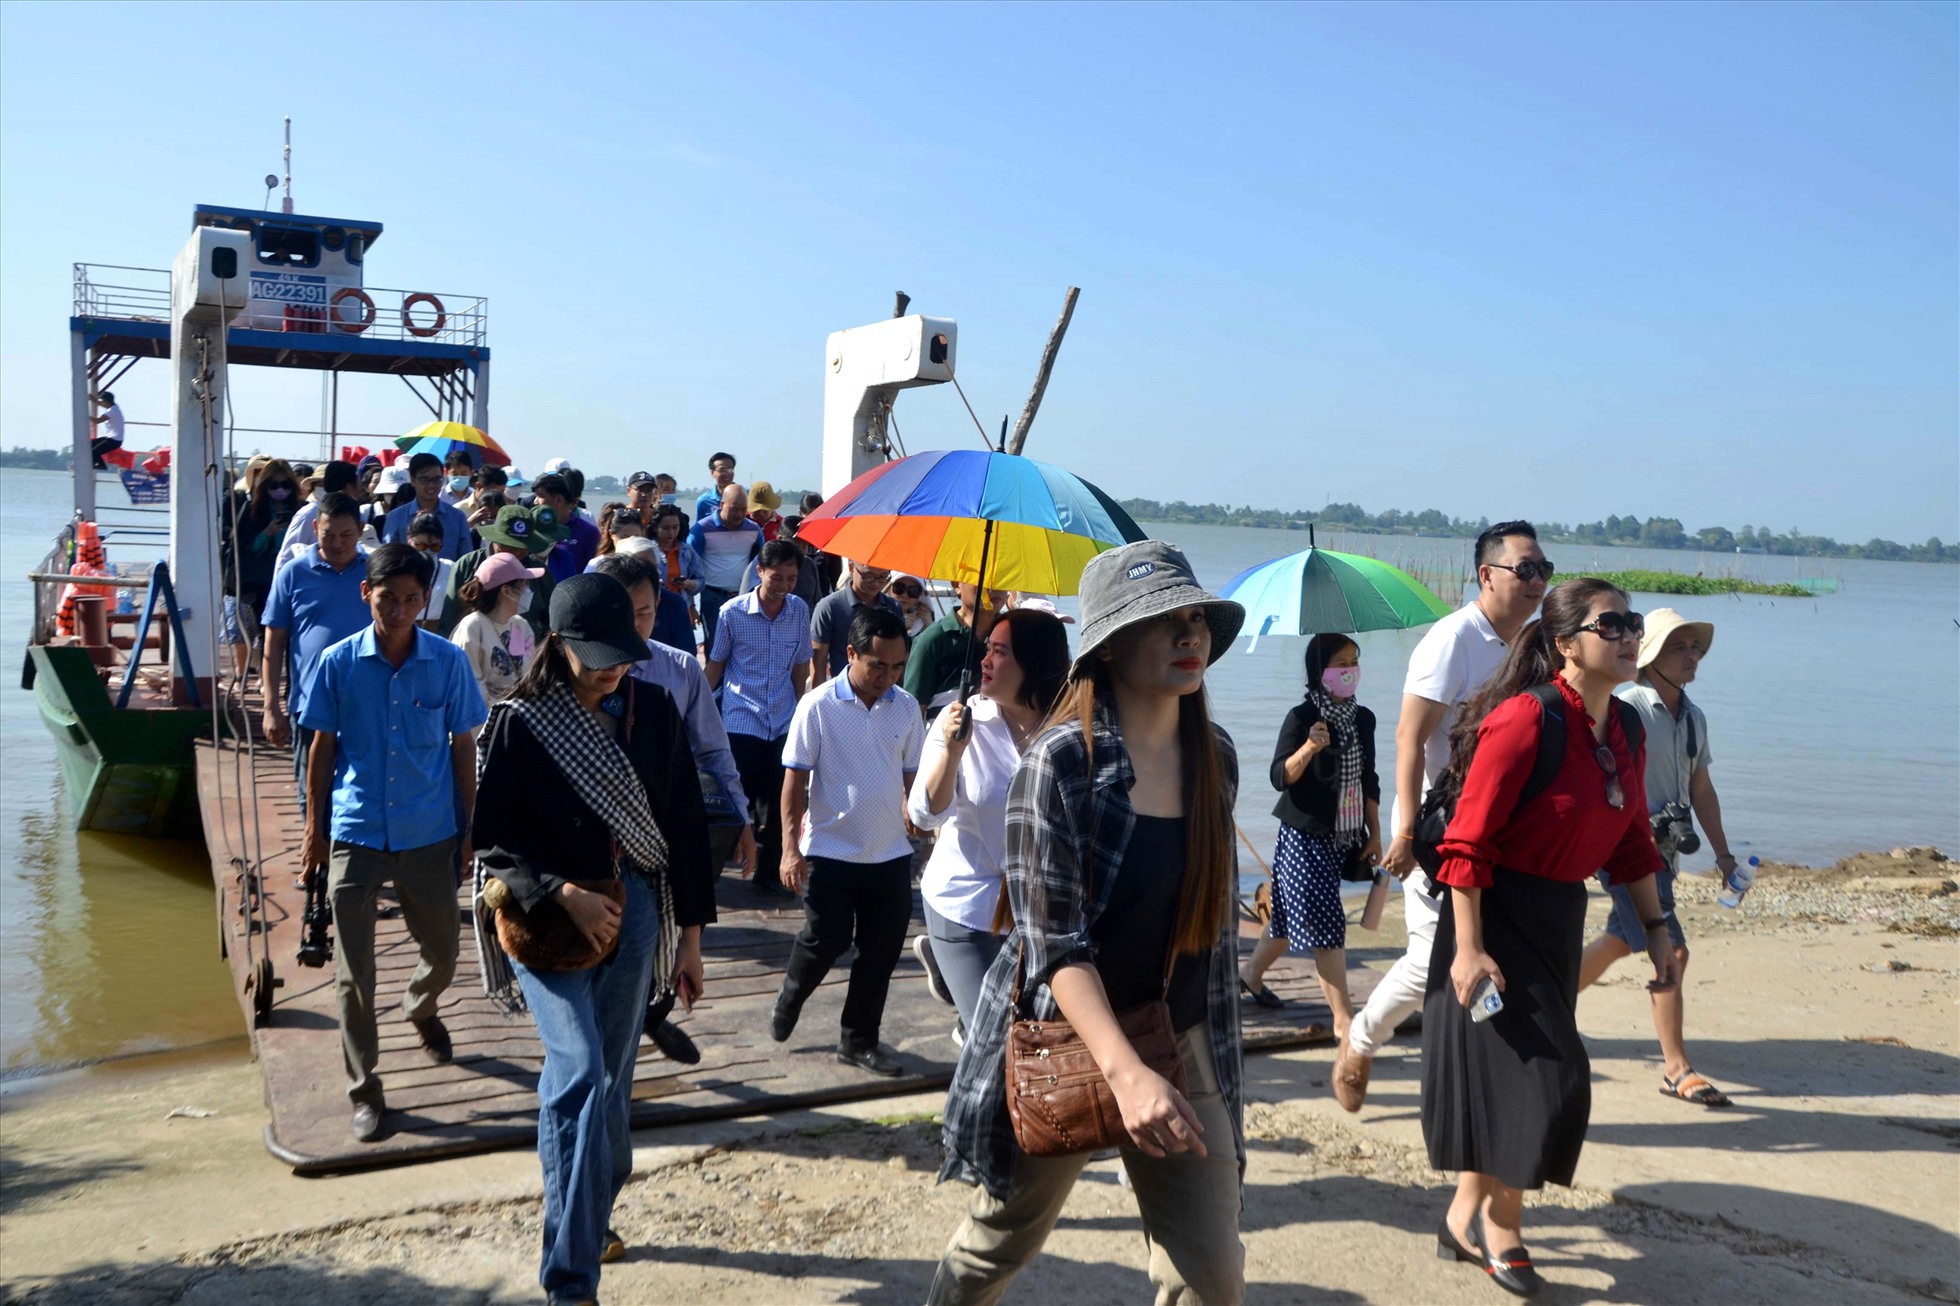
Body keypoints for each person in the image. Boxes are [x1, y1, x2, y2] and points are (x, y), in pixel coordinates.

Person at [932, 540, 1247, 1305]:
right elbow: (1053, 942)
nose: (1189, 635)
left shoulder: (1216, 757)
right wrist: (1124, 1070)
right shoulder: (1058, 762)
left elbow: (1206, 923)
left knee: (1210, 1279)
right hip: (1069, 1041)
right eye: (1162, 620)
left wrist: (1159, 1068)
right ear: (1107, 643)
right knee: (993, 1248)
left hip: (1183, 1037)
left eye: (1196, 617)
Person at [1425, 578, 1679, 1297]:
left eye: (1632, 623)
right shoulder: (1524, 721)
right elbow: (1466, 843)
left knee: (1517, 1081)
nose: (1629, 635)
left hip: (1557, 919)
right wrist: (1468, 950)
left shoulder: (1624, 727)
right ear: (1566, 645)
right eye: (1612, 625)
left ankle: (1463, 1215)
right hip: (1492, 922)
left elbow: (1629, 840)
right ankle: (1500, 1227)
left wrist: (1655, 928)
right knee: (1549, 1080)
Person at [473, 572, 716, 1302]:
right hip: (547, 919)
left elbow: (684, 831)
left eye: (623, 654)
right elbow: (493, 841)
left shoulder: (655, 710)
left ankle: (587, 1217)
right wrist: (564, 893)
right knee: (577, 1073)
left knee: (607, 1086)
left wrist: (693, 941)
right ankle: (570, 1279)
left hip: (636, 910)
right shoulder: (521, 720)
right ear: (558, 643)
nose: (613, 669)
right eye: (598, 655)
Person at [1336, 520, 1549, 1111]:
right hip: (1438, 827)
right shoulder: (1453, 640)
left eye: (1543, 571)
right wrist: (1403, 832)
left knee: (1485, 948)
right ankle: (1361, 1037)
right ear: (1487, 575)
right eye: (1524, 569)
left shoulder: (1525, 643)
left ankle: (1477, 1072)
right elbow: (1408, 738)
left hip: (1493, 826)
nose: (1536, 582)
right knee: (1431, 954)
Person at [298, 543, 488, 1143]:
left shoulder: (447, 663)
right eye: (388, 598)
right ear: (366, 595)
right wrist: (313, 832)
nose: (401, 610)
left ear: (426, 600)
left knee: (445, 952)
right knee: (354, 976)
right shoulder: (335, 663)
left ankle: (421, 1005)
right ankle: (366, 1090)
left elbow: (464, 747)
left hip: (430, 832)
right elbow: (321, 749)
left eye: (412, 599)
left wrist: (471, 827)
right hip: (354, 832)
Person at [594, 551, 757, 1066]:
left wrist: (741, 819)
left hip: (665, 838)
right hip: (592, 847)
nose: (635, 625)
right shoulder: (575, 670)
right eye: (624, 613)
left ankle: (648, 1014)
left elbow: (712, 750)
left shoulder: (681, 670)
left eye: (644, 612)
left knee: (661, 948)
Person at [1579, 607, 1737, 1109]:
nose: (1692, 656)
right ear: (1651, 658)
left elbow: (1702, 789)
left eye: (1695, 648)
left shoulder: (1694, 717)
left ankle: (1538, 1004)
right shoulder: (1629, 708)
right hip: (1627, 848)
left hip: (1664, 850)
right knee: (1673, 949)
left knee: (1620, 939)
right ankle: (1676, 1068)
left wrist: (1725, 857)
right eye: (1679, 648)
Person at [771, 605, 926, 1076]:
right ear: (852, 653)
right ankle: (793, 992)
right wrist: (789, 848)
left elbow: (912, 776)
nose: (888, 676)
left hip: (891, 854)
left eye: (897, 666)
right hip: (829, 851)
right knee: (826, 939)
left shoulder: (906, 707)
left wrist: (916, 814)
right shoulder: (817, 705)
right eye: (878, 664)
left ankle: (858, 1041)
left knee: (880, 953)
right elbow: (794, 781)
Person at [907, 608, 1071, 1039]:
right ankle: (958, 986)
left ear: (1033, 663)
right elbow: (924, 816)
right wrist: (952, 752)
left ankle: (961, 997)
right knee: (997, 1039)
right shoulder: (961, 720)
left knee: (1038, 1029)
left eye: (1000, 652)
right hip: (964, 902)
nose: (985, 661)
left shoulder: (1067, 729)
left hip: (1034, 912)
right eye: (987, 649)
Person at [1238, 633, 1380, 1038]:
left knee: (1283, 917)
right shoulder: (1301, 718)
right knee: (1328, 923)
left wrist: (1375, 833)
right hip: (1303, 836)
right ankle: (1343, 1019)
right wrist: (1308, 748)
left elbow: (1369, 778)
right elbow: (1279, 777)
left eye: (1354, 661)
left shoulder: (1362, 719)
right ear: (1320, 672)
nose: (1349, 670)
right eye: (1340, 663)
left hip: (1346, 834)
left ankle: (1250, 974)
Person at [704, 540, 811, 896]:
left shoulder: (798, 611)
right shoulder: (731, 612)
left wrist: (800, 714)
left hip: (782, 718)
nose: (783, 586)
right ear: (759, 572)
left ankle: (770, 873)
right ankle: (711, 872)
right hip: (740, 718)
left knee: (783, 800)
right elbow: (716, 664)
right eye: (776, 577)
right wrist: (699, 708)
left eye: (791, 578)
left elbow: (799, 667)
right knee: (733, 800)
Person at [262, 494, 371, 809]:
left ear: (361, 529)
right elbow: (274, 641)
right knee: (311, 793)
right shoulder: (293, 573)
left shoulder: (375, 573)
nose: (336, 543)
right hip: (310, 704)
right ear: (314, 527)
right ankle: (316, 854)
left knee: (361, 791)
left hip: (367, 703)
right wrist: (271, 707)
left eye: (346, 535)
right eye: (328, 534)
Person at [218, 456, 300, 682]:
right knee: (264, 632)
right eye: (274, 485)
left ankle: (283, 680)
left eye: (285, 485)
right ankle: (265, 679)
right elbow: (242, 547)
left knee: (291, 634)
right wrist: (267, 533)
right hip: (259, 580)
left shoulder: (300, 511)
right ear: (265, 487)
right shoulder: (253, 509)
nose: (280, 490)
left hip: (291, 577)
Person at [438, 505, 557, 639]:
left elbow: (552, 622)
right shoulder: (467, 565)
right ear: (494, 539)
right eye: (508, 546)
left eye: (522, 547)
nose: (516, 553)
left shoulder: (539, 573)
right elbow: (448, 621)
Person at [449, 551, 543, 702]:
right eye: (524, 584)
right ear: (506, 590)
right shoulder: (472, 627)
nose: (528, 590)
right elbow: (467, 686)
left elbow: (531, 675)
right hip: (485, 721)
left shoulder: (521, 625)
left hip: (517, 716)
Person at [904, 583, 1008, 716]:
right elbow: (913, 710)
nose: (993, 587)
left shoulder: (1013, 638)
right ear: (956, 585)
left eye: (1001, 578)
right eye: (985, 578)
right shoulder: (933, 639)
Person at [688, 484, 765, 655]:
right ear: (722, 505)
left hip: (743, 598)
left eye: (743, 510)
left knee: (742, 649)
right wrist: (691, 605)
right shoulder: (701, 529)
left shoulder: (754, 529)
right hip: (712, 597)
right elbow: (689, 566)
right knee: (715, 650)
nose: (739, 514)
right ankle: (713, 683)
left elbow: (763, 562)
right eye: (734, 509)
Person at [809, 559, 901, 684]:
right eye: (868, 576)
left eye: (883, 577)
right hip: (841, 690)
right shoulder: (829, 607)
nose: (875, 583)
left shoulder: (893, 607)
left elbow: (899, 657)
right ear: (851, 567)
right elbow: (818, 662)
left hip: (883, 689)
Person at [382, 453, 472, 562]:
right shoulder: (395, 517)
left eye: (436, 479)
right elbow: (388, 558)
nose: (431, 485)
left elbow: (466, 559)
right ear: (412, 480)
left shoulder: (457, 517)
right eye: (424, 479)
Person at [277, 460, 363, 572]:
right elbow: (286, 558)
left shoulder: (357, 514)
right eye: (328, 534)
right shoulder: (308, 514)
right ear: (349, 487)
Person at [531, 474, 600, 581]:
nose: (535, 501)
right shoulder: (530, 527)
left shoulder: (589, 532)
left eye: (540, 496)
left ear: (558, 499)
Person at [406, 511, 455, 626]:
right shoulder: (400, 568)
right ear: (409, 539)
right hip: (407, 628)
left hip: (438, 631)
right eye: (421, 546)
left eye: (434, 546)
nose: (427, 551)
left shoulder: (450, 568)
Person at [693, 451, 738, 521]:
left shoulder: (746, 495)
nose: (727, 473)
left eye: (730, 468)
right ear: (712, 473)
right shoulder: (704, 501)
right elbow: (699, 528)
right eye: (722, 469)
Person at [889, 573, 934, 639]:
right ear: (889, 589)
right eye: (899, 588)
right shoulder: (876, 616)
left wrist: (930, 627)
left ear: (919, 596)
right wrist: (898, 628)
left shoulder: (921, 625)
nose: (905, 595)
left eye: (913, 591)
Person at [89, 391, 125, 468]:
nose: (101, 403)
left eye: (102, 401)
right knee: (88, 445)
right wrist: (93, 399)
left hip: (114, 440)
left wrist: (84, 414)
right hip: (111, 438)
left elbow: (97, 421)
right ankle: (96, 464)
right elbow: (101, 404)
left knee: (94, 451)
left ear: (106, 401)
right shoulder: (113, 407)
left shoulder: (112, 411)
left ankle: (101, 466)